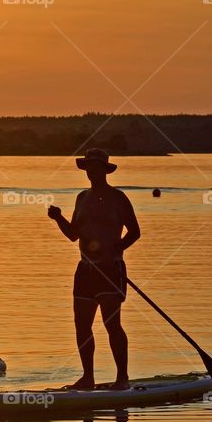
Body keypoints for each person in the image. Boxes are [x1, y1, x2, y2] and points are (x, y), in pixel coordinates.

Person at [48, 149, 140, 390]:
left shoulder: (118, 198)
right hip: (85, 271)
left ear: (104, 170)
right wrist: (58, 218)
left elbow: (135, 232)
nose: (91, 171)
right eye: (88, 167)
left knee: (112, 324)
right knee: (82, 325)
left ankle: (122, 378)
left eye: (96, 167)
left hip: (110, 270)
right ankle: (87, 378)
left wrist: (116, 249)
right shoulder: (82, 198)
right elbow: (73, 235)